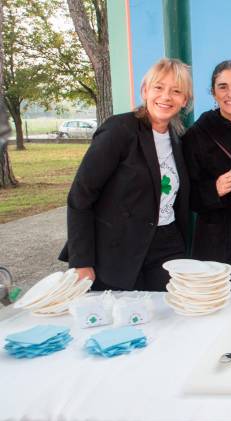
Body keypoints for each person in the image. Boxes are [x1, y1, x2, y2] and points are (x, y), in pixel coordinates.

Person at [60, 58, 193, 291]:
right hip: (116, 249)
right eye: (158, 87)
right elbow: (81, 196)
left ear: (185, 100)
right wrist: (81, 261)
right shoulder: (119, 130)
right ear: (145, 91)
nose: (166, 96)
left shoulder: (178, 140)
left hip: (166, 245)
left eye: (176, 91)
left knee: (168, 317)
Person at [182, 60, 231, 292]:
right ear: (213, 92)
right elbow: (188, 197)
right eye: (222, 87)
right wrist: (214, 189)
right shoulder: (197, 134)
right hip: (216, 239)